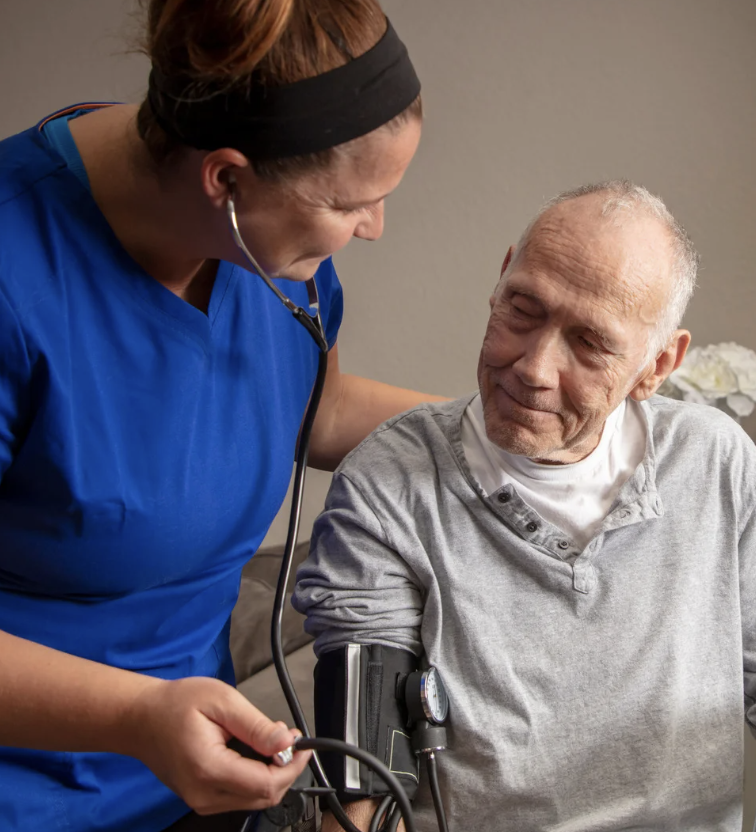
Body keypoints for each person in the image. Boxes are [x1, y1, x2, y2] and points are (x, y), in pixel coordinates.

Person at [0, 1, 447, 830]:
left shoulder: (266, 243)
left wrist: (502, 430)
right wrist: (137, 718)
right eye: (352, 203)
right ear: (227, 180)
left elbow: (311, 405)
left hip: (199, 770)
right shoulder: (15, 276)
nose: (374, 228)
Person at [294, 180, 756, 832]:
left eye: (590, 343)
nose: (534, 368)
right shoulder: (389, 482)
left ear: (657, 365)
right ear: (502, 277)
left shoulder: (715, 463)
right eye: (523, 309)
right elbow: (364, 783)